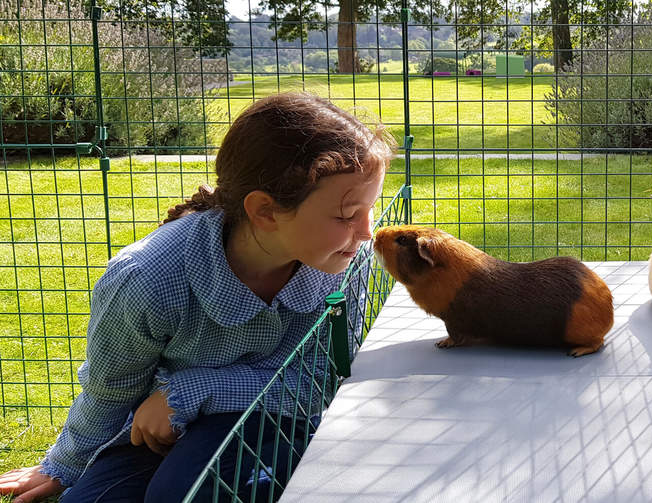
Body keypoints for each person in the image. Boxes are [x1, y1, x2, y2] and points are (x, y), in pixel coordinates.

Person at [0, 92, 395, 502]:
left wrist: (191, 392)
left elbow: (318, 382)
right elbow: (111, 391)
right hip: (158, 427)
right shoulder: (146, 280)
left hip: (278, 418)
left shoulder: (344, 260)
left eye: (369, 209)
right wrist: (63, 467)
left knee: (181, 494)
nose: (368, 232)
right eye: (347, 216)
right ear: (264, 211)